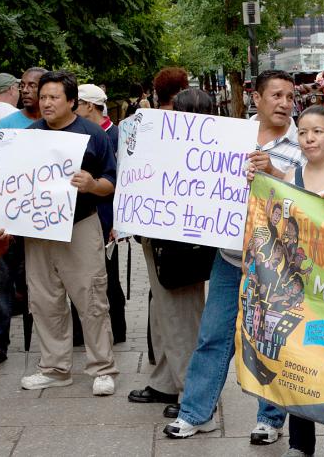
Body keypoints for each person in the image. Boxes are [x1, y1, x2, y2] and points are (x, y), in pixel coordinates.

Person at [164, 70, 302, 443]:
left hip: (276, 265)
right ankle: (196, 412)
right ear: (255, 98)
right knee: (213, 335)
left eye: (290, 97)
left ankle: (270, 420)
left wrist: (274, 173)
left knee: (269, 339)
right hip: (229, 258)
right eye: (276, 95)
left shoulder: (303, 142)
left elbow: (313, 194)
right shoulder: (228, 138)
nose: (285, 103)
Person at [17, 70, 118, 395]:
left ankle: (102, 368)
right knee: (44, 300)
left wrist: (92, 184)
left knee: (91, 297)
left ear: (72, 101)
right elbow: (14, 184)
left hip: (80, 225)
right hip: (38, 229)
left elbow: (111, 182)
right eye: (42, 97)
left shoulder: (92, 134)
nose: (45, 103)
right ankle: (54, 367)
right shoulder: (30, 135)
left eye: (53, 97)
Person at [271, 105, 324, 457]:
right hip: (300, 289)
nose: (309, 139)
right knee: (298, 361)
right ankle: (299, 441)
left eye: (317, 131)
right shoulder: (292, 177)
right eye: (303, 132)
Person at [128, 78, 206, 419]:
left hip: (181, 244)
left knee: (181, 318)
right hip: (156, 237)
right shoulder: (163, 141)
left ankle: (192, 390)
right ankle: (164, 380)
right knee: (163, 314)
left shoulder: (204, 151)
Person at [0, 68, 47, 369]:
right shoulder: (6, 124)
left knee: (46, 283)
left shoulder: (58, 127)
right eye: (24, 85)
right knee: (0, 280)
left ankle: (50, 344)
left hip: (45, 219)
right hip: (7, 218)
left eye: (35, 86)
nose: (28, 90)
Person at [72, 84, 127, 345]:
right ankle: (81, 332)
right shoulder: (76, 133)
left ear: (90, 106)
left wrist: (121, 222)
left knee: (108, 276)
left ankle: (116, 330)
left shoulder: (116, 135)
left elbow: (124, 180)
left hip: (108, 214)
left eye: (78, 103)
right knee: (80, 276)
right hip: (83, 214)